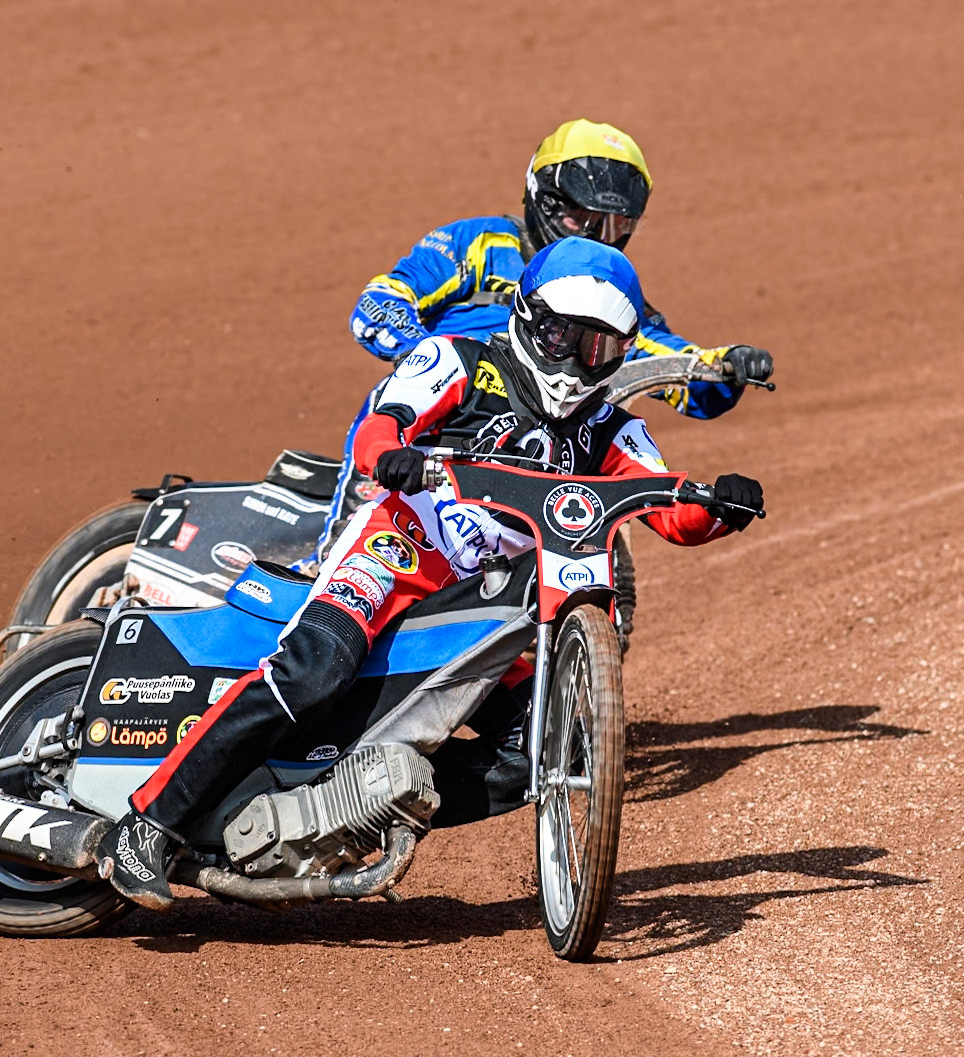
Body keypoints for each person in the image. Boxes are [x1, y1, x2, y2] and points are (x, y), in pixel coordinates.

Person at [99, 237, 765, 910]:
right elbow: (381, 426)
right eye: (561, 333)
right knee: (313, 669)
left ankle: (350, 806)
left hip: (489, 598)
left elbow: (672, 512)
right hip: (398, 549)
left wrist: (723, 505)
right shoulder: (460, 361)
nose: (571, 359)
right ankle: (146, 826)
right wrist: (393, 454)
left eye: (595, 347)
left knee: (535, 756)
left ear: (619, 353)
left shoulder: (609, 429)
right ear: (529, 315)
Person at [315, 118, 774, 559]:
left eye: (613, 225)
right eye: (582, 217)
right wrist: (428, 358)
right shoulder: (480, 243)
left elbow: (678, 365)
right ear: (546, 199)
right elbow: (382, 300)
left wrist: (726, 364)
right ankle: (338, 543)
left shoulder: (609, 304)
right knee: (387, 430)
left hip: (554, 430)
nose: (598, 235)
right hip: (452, 412)